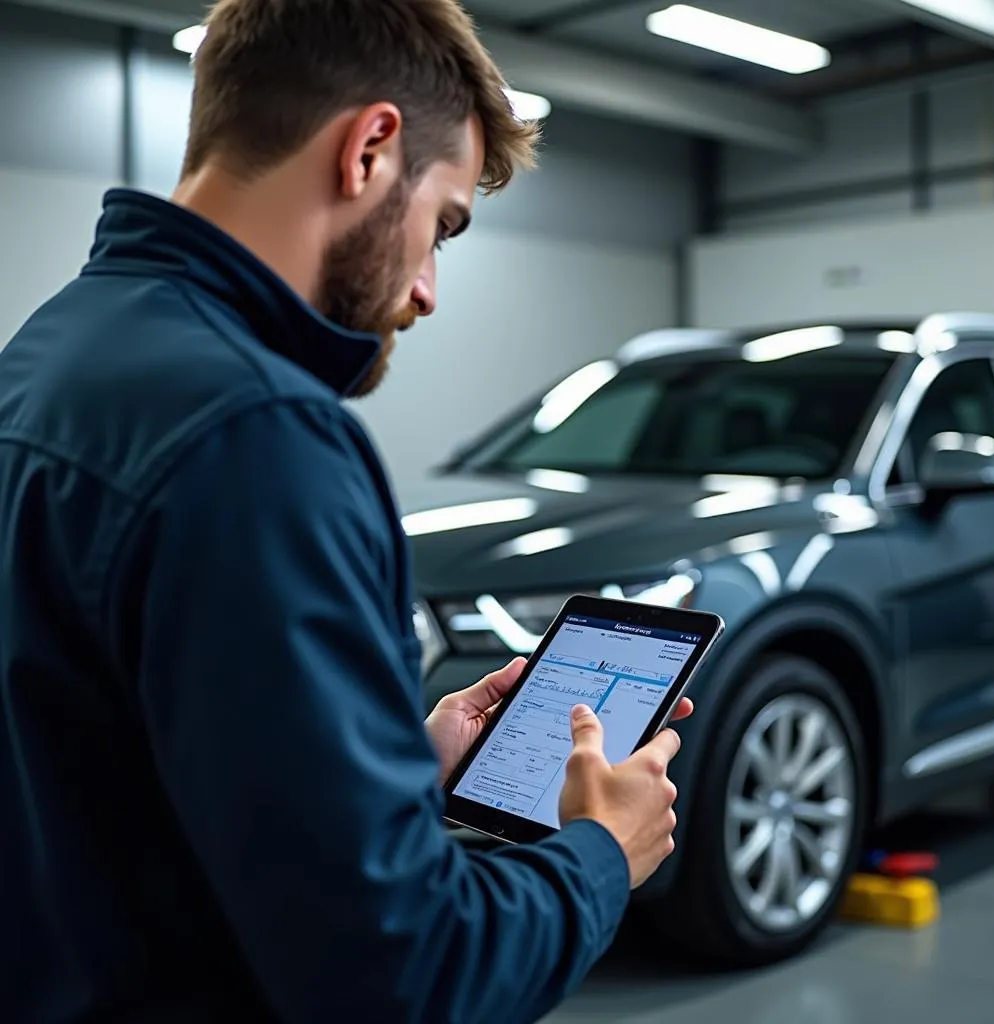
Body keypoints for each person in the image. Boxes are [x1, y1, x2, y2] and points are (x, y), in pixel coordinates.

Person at [0, 1, 692, 1021]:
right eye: (442, 225)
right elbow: (403, 976)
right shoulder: (258, 433)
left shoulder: (51, 353)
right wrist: (601, 852)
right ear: (369, 148)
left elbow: (108, 774)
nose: (426, 292)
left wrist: (400, 759)